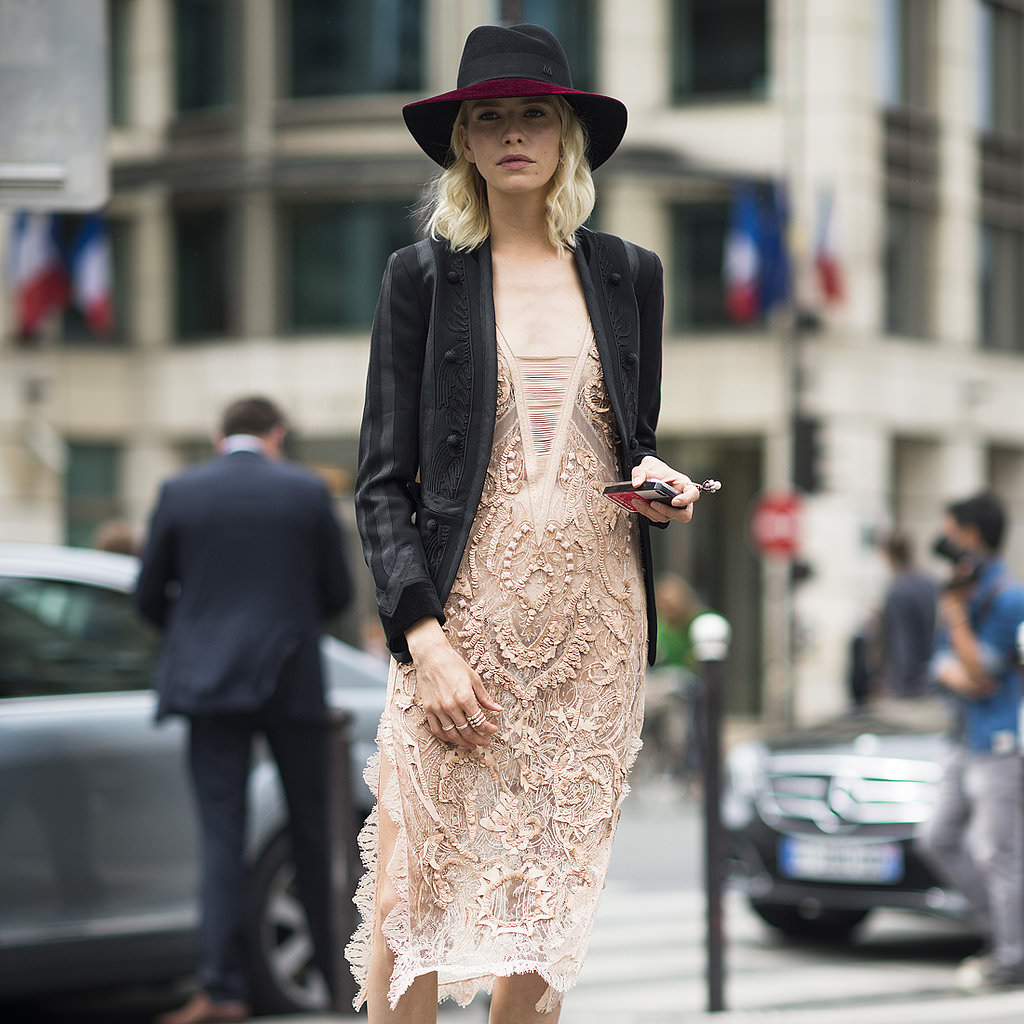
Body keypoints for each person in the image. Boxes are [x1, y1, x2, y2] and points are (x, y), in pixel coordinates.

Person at [348, 24, 706, 1023]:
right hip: (460, 623)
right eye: (490, 117)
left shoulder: (631, 274)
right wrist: (426, 643)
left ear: (565, 138)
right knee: (414, 894)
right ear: (463, 140)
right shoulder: (421, 277)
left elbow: (627, 443)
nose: (512, 134)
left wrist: (658, 487)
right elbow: (381, 482)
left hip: (595, 626)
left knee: (547, 900)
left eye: (533, 116)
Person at [135, 396, 352, 1024]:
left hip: (208, 686)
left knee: (221, 838)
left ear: (217, 436)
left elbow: (149, 597)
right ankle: (339, 987)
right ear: (277, 434)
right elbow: (336, 593)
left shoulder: (180, 491)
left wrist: (199, 631)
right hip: (291, 682)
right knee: (314, 837)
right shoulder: (306, 493)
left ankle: (221, 991)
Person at [915, 492, 1024, 991]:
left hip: (999, 741)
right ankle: (1002, 933)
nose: (946, 543)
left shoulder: (1007, 595)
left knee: (998, 852)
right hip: (962, 736)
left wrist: (957, 619)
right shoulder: (964, 590)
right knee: (936, 838)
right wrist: (961, 663)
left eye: (952, 533)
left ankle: (1011, 955)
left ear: (972, 536)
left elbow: (983, 674)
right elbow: (941, 666)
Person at [877, 531, 938, 698]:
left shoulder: (898, 590)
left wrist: (899, 685)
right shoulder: (929, 582)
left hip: (909, 685)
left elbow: (902, 640)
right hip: (931, 676)